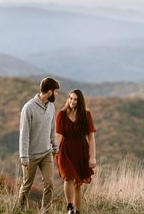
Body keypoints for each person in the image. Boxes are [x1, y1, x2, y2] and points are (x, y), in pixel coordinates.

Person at [18, 77, 60, 212]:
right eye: (56, 91)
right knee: (27, 185)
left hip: (46, 153)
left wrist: (55, 147)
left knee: (49, 184)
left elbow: (52, 129)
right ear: (49, 92)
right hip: (31, 156)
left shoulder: (51, 106)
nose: (57, 94)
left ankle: (45, 211)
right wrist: (24, 157)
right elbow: (24, 134)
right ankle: (19, 210)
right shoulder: (28, 108)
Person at [56, 89, 97, 214]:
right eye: (70, 98)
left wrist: (92, 157)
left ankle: (78, 211)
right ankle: (70, 207)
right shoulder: (61, 114)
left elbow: (91, 136)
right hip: (65, 150)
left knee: (78, 183)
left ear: (80, 102)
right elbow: (58, 135)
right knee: (68, 177)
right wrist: (55, 152)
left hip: (81, 150)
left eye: (75, 99)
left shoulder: (86, 115)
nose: (72, 101)